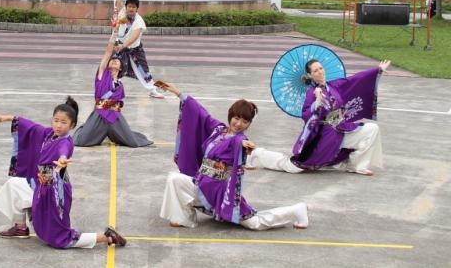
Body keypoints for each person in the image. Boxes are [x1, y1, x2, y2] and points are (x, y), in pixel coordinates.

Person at [158, 82, 309, 230]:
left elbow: (240, 143)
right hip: (202, 183)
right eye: (236, 118)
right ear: (230, 116)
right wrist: (178, 93)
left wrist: (245, 146)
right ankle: (184, 217)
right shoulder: (219, 130)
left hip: (220, 192)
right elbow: (200, 113)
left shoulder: (239, 139)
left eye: (244, 121)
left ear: (248, 124)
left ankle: (296, 211)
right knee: (174, 178)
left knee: (254, 223)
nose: (239, 124)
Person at [0, 97, 127, 249]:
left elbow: (63, 152)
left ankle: (105, 236)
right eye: (56, 120)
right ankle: (20, 226)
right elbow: (31, 126)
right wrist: (7, 118)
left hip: (54, 191)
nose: (58, 125)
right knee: (14, 185)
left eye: (63, 122)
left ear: (72, 125)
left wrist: (62, 160)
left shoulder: (65, 142)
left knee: (59, 238)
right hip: (41, 184)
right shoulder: (49, 134)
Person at [248, 59, 389, 176]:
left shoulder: (333, 86)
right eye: (315, 70)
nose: (320, 71)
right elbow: (306, 115)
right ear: (310, 75)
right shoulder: (312, 93)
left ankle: (356, 165)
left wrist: (377, 70)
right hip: (323, 138)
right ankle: (258, 153)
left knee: (372, 129)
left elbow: (355, 80)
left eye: (321, 68)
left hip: (341, 130)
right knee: (293, 167)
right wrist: (316, 104)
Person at [73, 30, 152, 147]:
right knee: (81, 141)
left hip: (115, 117)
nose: (114, 60)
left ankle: (114, 132)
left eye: (117, 60)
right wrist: (114, 33)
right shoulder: (102, 75)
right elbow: (108, 51)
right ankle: (84, 128)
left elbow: (119, 104)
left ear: (121, 67)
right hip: (99, 115)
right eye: (112, 60)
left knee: (133, 142)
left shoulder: (120, 85)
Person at [114, 0, 163, 98]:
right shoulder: (123, 13)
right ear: (126, 7)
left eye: (133, 7)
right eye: (129, 6)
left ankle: (152, 90)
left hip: (135, 50)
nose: (131, 9)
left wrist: (123, 46)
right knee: (114, 67)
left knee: (144, 71)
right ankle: (111, 87)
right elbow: (118, 2)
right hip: (120, 48)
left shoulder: (139, 21)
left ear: (137, 9)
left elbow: (135, 37)